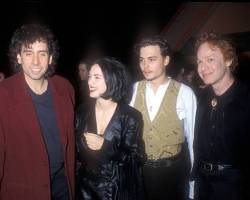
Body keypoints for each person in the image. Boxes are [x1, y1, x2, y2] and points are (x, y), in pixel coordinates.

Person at [0, 23, 75, 200]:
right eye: (28, 53)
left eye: (42, 53)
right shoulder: (3, 95)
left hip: (63, 186)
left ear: (50, 58)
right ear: (18, 57)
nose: (35, 61)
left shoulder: (65, 88)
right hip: (23, 191)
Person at [130, 35, 197, 200]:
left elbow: (194, 141)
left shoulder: (184, 93)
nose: (145, 66)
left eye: (151, 59)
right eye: (142, 60)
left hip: (173, 173)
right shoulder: (132, 90)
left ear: (166, 60)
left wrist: (193, 185)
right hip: (141, 172)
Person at [75, 57, 145, 200]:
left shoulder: (130, 116)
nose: (90, 82)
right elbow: (75, 150)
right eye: (89, 77)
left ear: (112, 79)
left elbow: (136, 158)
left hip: (116, 189)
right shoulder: (82, 111)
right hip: (85, 188)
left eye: (97, 77)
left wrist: (105, 146)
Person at [193, 31, 250, 200]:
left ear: (228, 60)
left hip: (235, 187)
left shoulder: (246, 97)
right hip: (203, 184)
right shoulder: (202, 98)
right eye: (199, 62)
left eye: (210, 59)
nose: (203, 68)